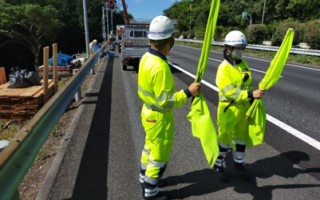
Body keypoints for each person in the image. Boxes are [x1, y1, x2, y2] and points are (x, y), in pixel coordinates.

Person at [138, 15, 201, 200]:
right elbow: (167, 101)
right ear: (169, 41)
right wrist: (188, 92)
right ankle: (151, 191)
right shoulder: (160, 67)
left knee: (149, 147)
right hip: (159, 117)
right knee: (159, 155)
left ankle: (144, 178)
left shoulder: (146, 58)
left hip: (148, 112)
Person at [213, 30, 265, 182]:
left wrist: (252, 100)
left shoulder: (244, 65)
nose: (240, 52)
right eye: (237, 48)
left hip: (243, 109)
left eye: (242, 48)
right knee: (224, 138)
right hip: (228, 109)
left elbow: (248, 86)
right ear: (228, 48)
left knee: (241, 138)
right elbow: (229, 92)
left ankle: (239, 164)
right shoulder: (223, 68)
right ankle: (218, 165)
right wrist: (250, 95)